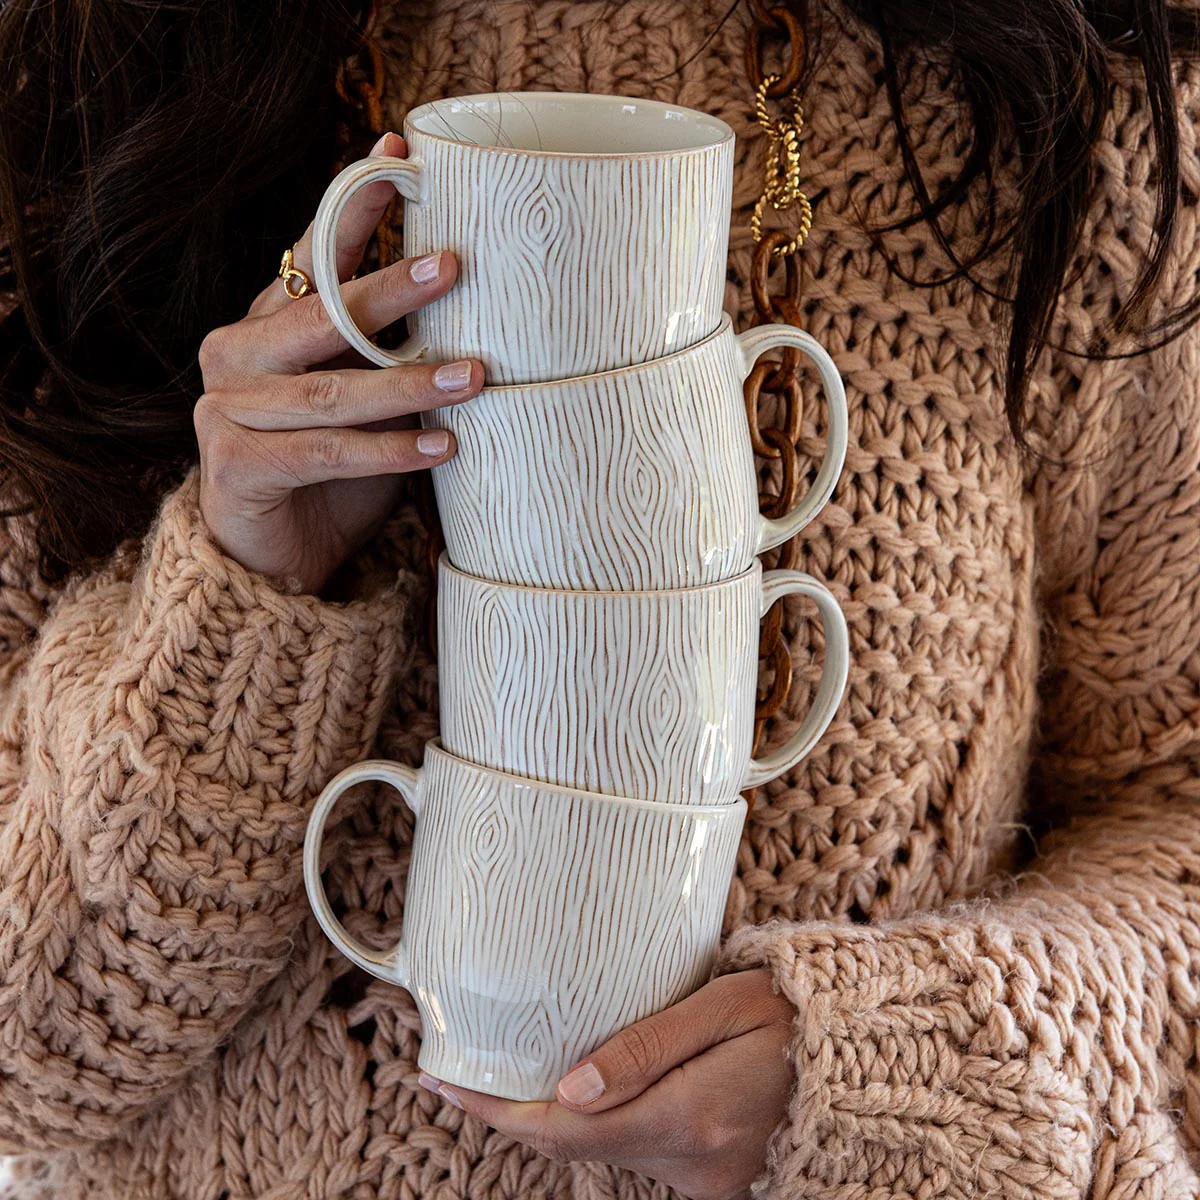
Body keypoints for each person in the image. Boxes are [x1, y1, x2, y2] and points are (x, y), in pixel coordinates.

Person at [1, 0, 1199, 1196]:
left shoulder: (1083, 120)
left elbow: (1177, 823)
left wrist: (890, 1080)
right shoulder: (91, 82)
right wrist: (241, 599)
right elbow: (25, 1058)